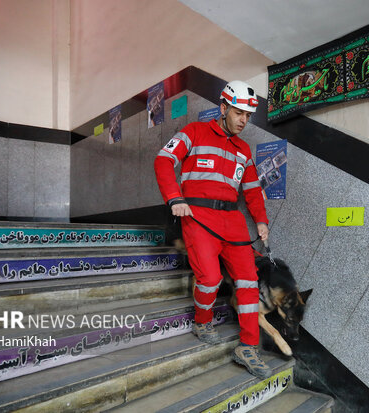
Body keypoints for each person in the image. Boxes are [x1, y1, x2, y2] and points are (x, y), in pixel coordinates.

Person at [154, 80, 271, 379]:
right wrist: (174, 197)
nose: (243, 120)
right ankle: (202, 320)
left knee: (248, 281)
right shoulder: (194, 132)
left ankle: (248, 347)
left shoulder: (244, 149)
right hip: (197, 217)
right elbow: (164, 160)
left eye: (248, 115)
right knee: (210, 278)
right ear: (223, 108)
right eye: (238, 113)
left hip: (232, 222)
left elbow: (253, 190)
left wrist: (261, 220)